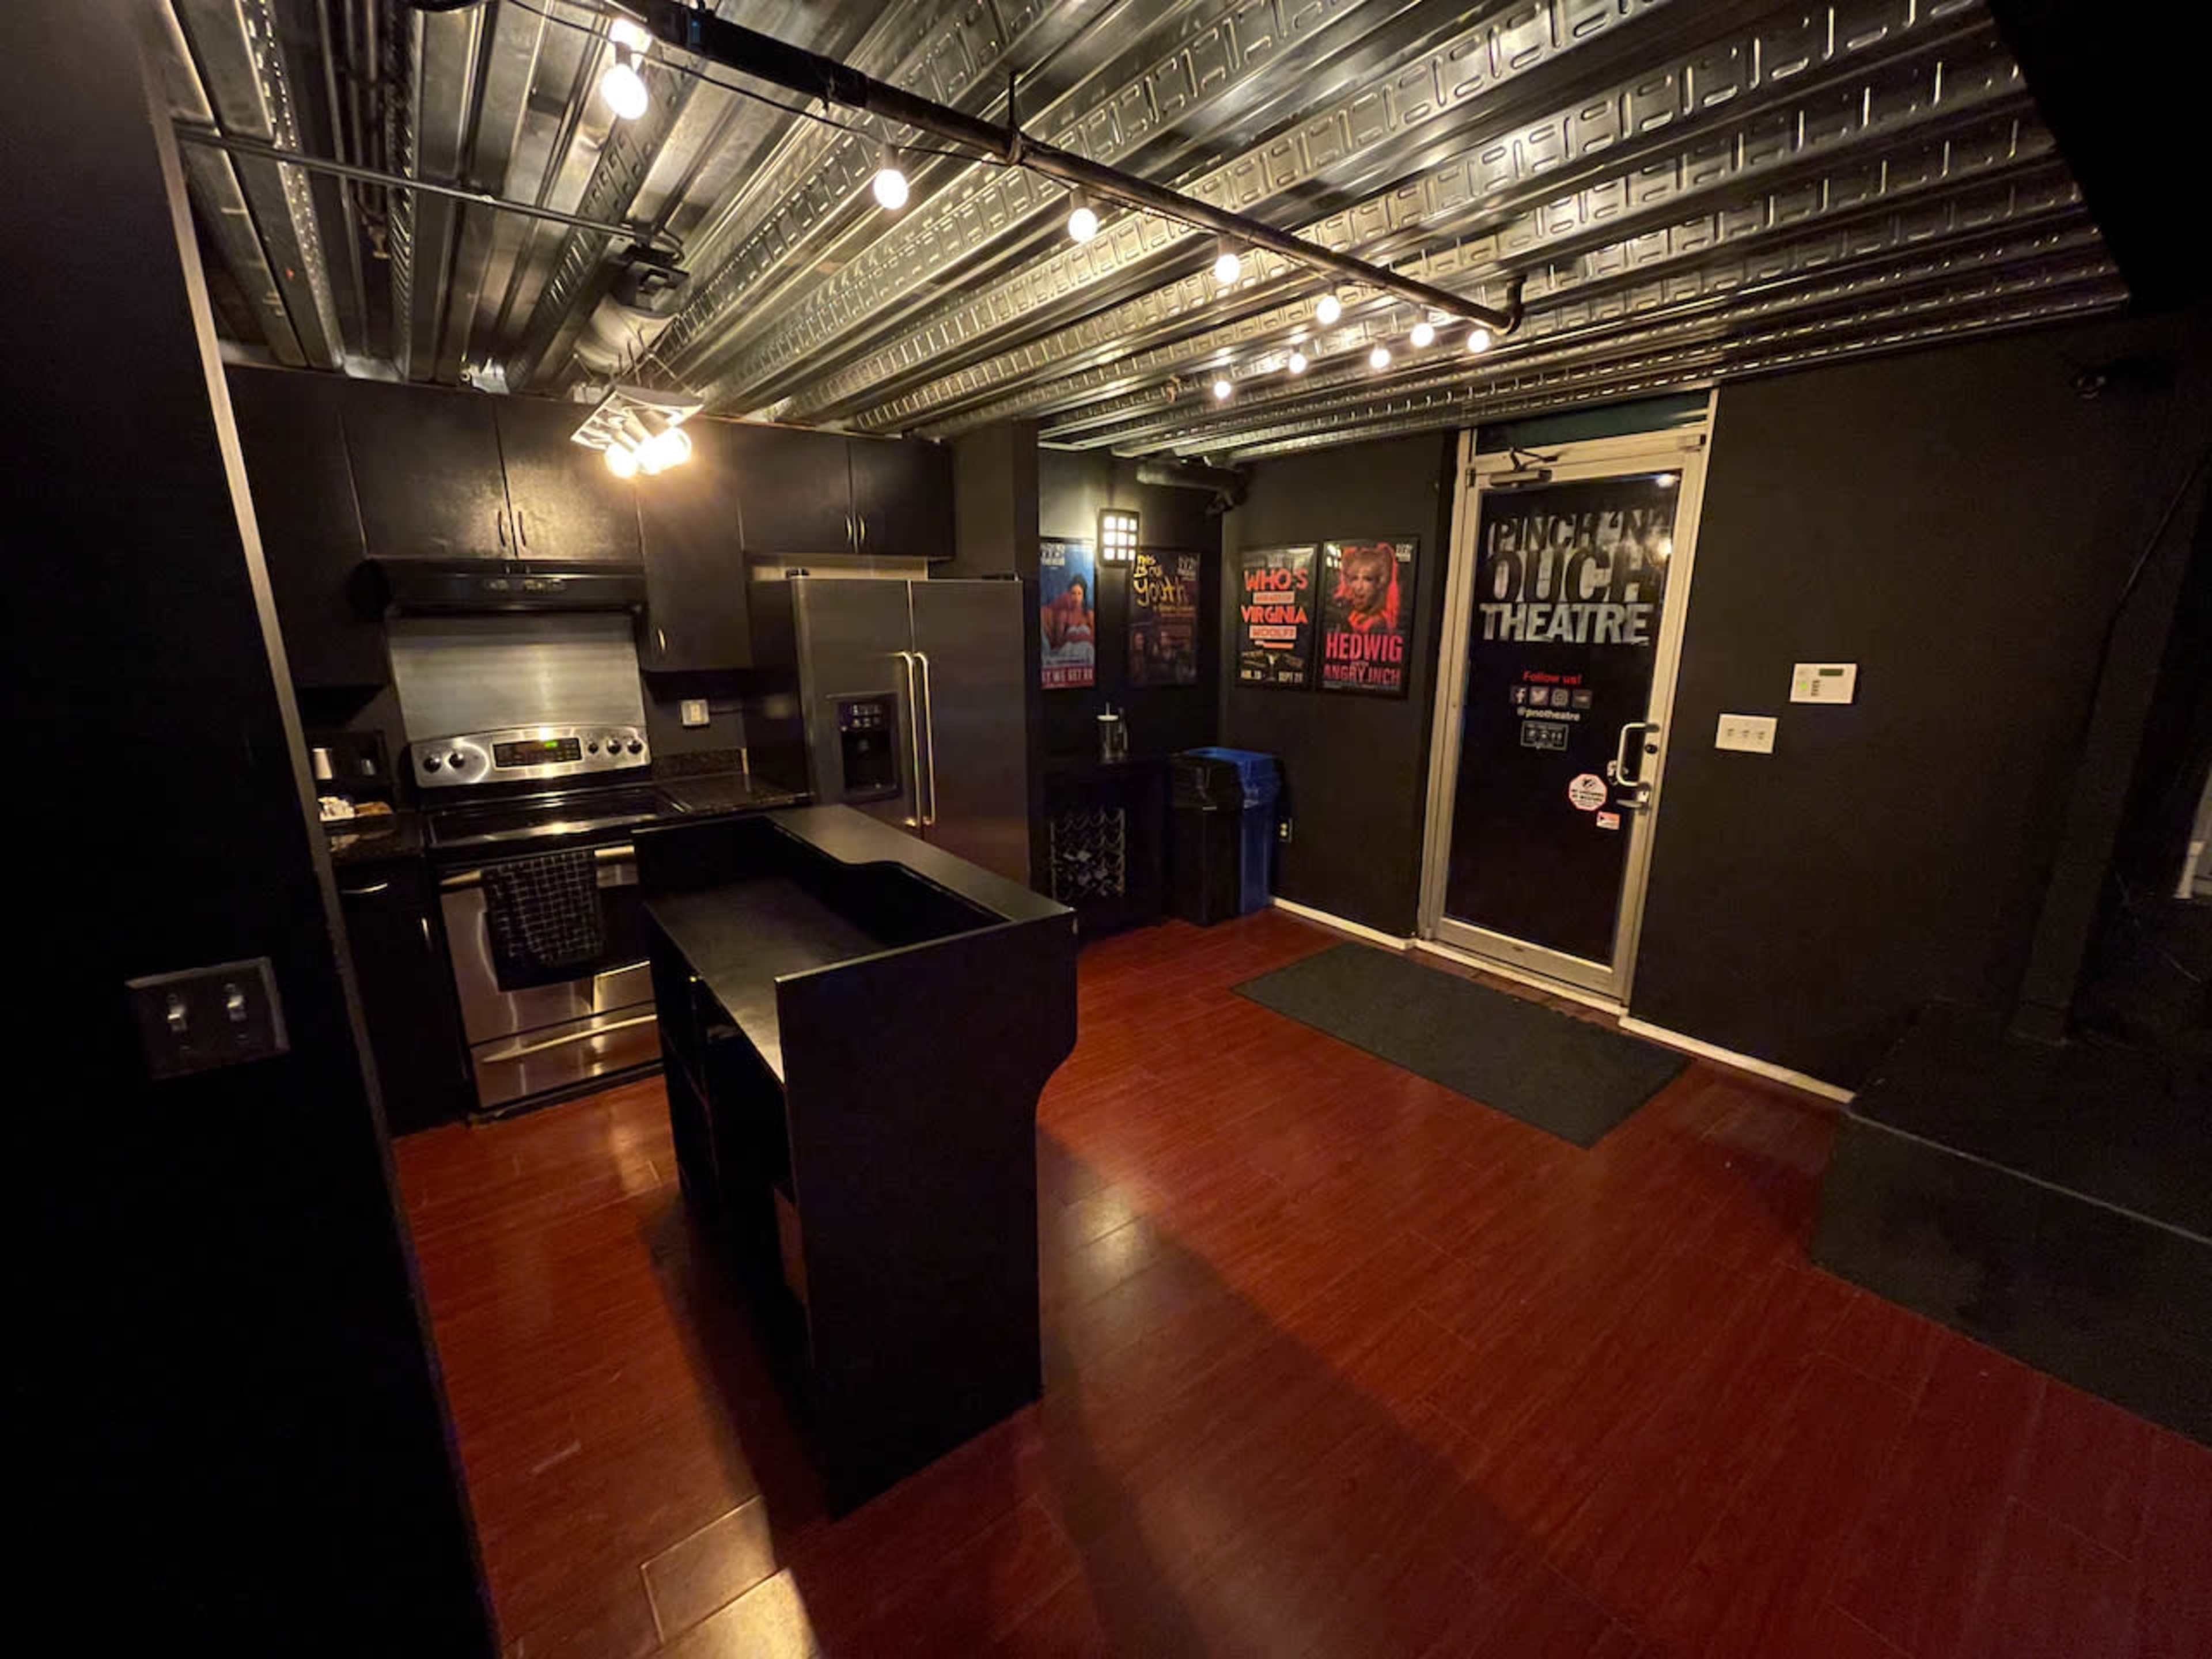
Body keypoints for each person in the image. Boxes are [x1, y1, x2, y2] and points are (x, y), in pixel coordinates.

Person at [1333, 543, 1399, 634]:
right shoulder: (1353, 615)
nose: (1359, 587)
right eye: (1354, 578)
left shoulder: (1377, 625)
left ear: (1379, 583)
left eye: (1368, 579)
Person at [1043, 575, 1094, 653]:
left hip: (1087, 650)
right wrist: (1072, 637)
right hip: (1068, 650)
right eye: (1073, 593)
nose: (1076, 598)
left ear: (1083, 596)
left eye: (1079, 594)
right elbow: (1059, 642)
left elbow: (1095, 639)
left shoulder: (1089, 614)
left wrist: (1081, 637)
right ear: (1069, 595)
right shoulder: (1064, 615)